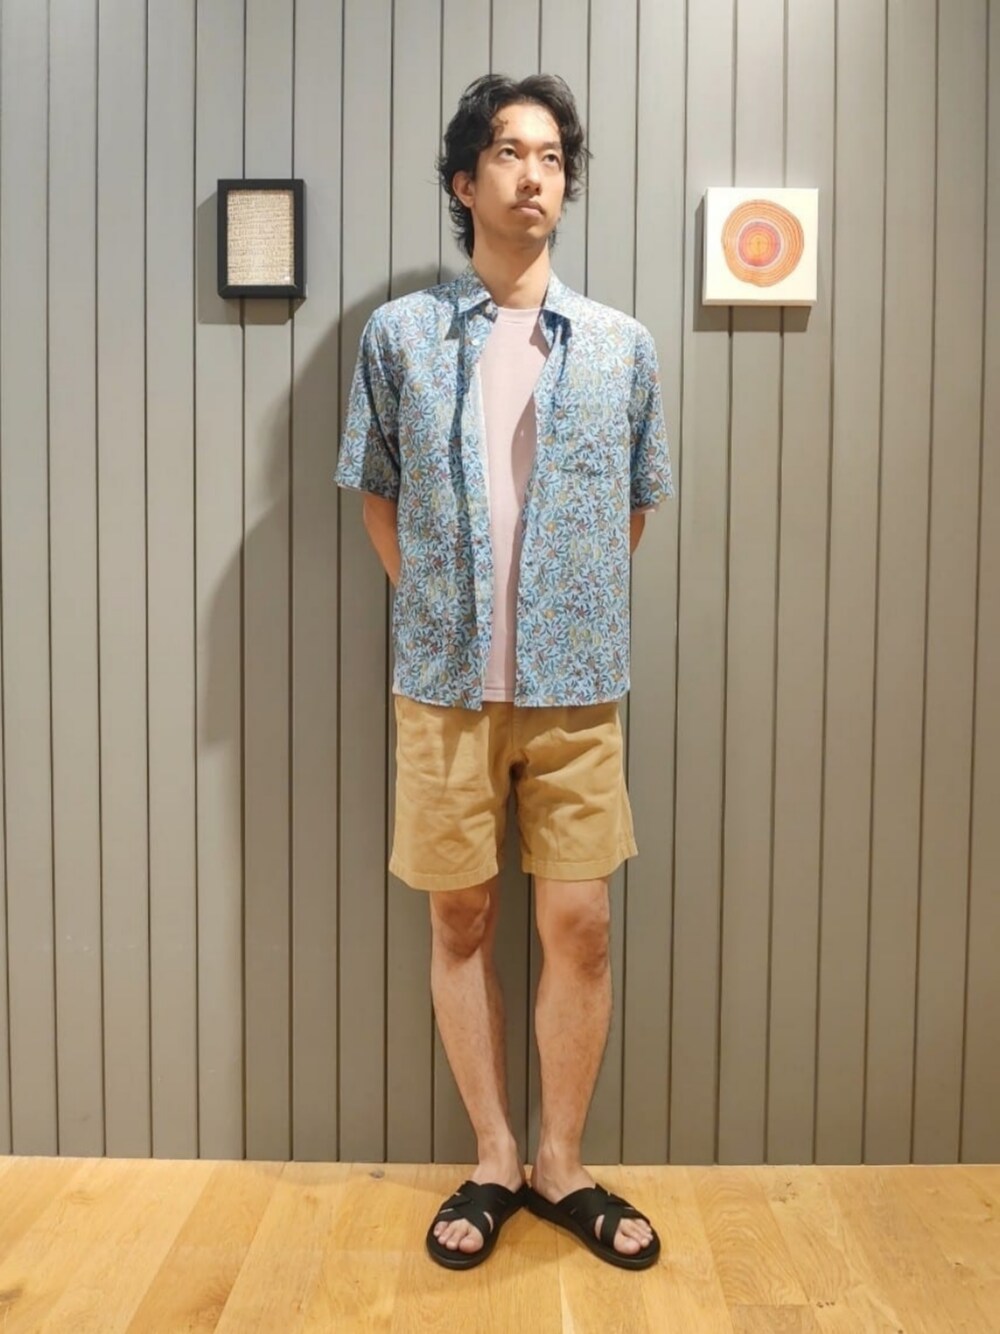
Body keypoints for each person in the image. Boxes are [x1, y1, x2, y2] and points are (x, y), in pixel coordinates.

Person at [335, 72, 673, 1272]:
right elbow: (376, 493)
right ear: (464, 182)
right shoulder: (400, 337)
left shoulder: (622, 345)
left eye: (552, 156)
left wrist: (554, 615)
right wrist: (446, 611)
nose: (535, 174)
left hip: (578, 693)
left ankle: (560, 1163)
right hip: (442, 690)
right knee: (462, 914)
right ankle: (491, 1154)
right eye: (508, 152)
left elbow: (634, 506)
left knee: (579, 925)